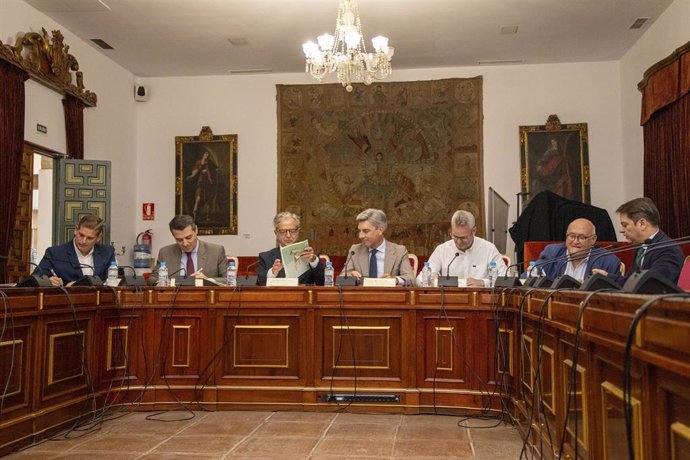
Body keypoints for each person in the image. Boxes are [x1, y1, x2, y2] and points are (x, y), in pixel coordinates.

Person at [592, 197, 684, 284]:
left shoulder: (667, 249)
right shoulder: (642, 247)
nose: (621, 230)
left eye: (625, 225)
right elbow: (630, 283)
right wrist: (607, 277)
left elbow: (653, 285)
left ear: (642, 223)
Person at [419, 210, 506, 287]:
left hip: (481, 301)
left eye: (463, 238)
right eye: (455, 236)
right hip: (450, 301)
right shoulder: (442, 250)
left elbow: (506, 279)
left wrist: (483, 283)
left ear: (474, 231)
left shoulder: (488, 249)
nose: (459, 242)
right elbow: (419, 280)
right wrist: (434, 280)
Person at [34, 214, 115, 286]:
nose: (83, 241)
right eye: (81, 235)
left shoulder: (107, 252)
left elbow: (112, 282)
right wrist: (48, 281)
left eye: (89, 238)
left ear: (98, 238)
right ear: (76, 230)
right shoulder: (55, 253)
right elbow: (33, 281)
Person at [528, 218, 621, 280]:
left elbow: (615, 295)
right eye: (571, 236)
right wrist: (532, 274)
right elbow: (528, 276)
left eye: (581, 237)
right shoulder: (552, 253)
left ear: (593, 239)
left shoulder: (608, 261)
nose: (575, 241)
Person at [345, 208, 415, 286]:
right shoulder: (355, 250)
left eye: (366, 231)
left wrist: (395, 280)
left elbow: (411, 279)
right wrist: (350, 276)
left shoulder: (399, 251)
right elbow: (342, 276)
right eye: (359, 231)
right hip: (361, 296)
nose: (360, 236)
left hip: (388, 296)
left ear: (380, 230)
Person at [151, 214, 227, 283]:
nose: (185, 243)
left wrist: (207, 280)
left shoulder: (216, 251)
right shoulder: (165, 253)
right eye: (179, 240)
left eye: (189, 237)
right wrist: (163, 282)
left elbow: (229, 279)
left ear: (196, 230)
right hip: (175, 297)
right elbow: (152, 279)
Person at [256, 212, 325, 286]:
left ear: (298, 231)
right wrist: (272, 272)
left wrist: (314, 261)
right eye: (283, 231)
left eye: (292, 231)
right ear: (276, 233)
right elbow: (258, 283)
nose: (288, 235)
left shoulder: (309, 255)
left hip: (303, 296)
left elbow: (323, 282)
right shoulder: (266, 257)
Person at [186, 150, 218, 221]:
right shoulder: (199, 162)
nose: (207, 156)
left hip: (208, 183)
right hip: (200, 183)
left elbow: (215, 169)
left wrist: (215, 171)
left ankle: (208, 217)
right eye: (206, 154)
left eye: (208, 155)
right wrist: (200, 170)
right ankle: (194, 218)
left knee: (209, 200)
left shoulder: (210, 163)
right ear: (203, 155)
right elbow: (194, 172)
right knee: (198, 199)